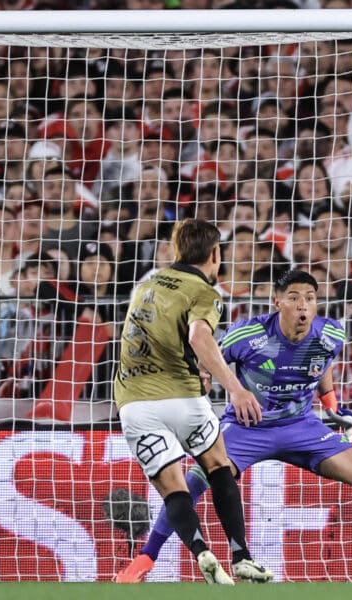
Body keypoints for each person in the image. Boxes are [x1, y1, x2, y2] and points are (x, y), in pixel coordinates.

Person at [117, 270, 352, 584]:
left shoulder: (331, 333)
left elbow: (323, 362)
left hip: (302, 426)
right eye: (295, 297)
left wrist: (330, 404)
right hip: (246, 428)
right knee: (190, 484)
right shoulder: (247, 335)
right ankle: (145, 558)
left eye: (310, 299)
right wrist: (212, 385)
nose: (303, 305)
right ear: (278, 302)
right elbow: (207, 361)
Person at [113, 218, 270, 585]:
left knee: (174, 490)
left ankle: (201, 551)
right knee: (219, 467)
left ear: (176, 250)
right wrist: (234, 387)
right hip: (184, 398)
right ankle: (241, 556)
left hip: (135, 402)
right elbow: (199, 336)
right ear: (215, 254)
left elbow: (148, 335)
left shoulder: (147, 282)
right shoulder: (205, 292)